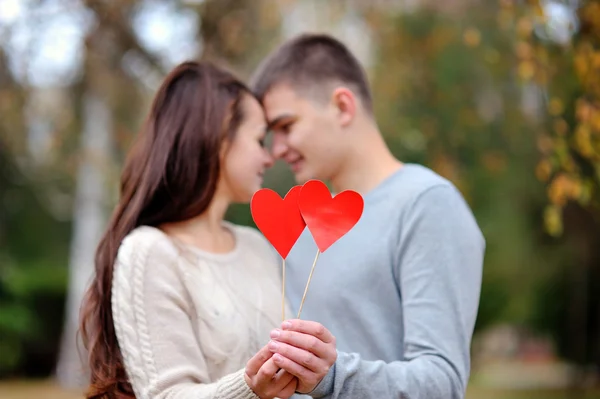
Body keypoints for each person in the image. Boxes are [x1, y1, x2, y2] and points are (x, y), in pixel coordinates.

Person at [78, 61, 337, 399]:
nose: (269, 156)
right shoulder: (150, 252)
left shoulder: (256, 245)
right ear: (218, 138)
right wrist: (249, 389)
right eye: (260, 139)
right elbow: (166, 395)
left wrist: (315, 367)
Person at [249, 33, 486, 399]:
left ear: (343, 106)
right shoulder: (294, 223)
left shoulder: (426, 204)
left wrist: (332, 377)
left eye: (286, 126)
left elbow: (442, 382)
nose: (276, 149)